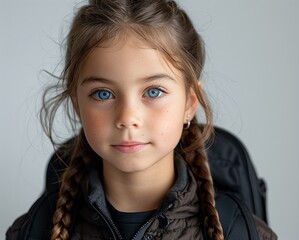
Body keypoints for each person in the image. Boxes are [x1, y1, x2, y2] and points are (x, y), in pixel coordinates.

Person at [7, 0, 277, 239]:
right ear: (77, 104)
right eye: (103, 94)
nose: (127, 118)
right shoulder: (31, 232)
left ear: (190, 103)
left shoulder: (245, 233)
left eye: (153, 91)